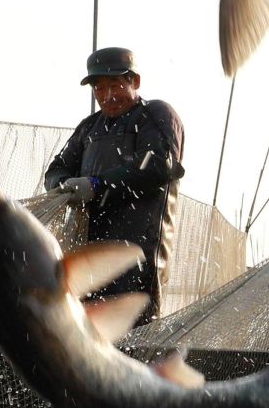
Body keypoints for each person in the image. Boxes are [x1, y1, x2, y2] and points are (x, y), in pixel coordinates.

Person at [43, 47, 187, 326]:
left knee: (133, 337)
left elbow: (159, 165)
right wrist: (64, 186)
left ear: (135, 82)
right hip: (90, 255)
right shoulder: (89, 127)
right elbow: (55, 170)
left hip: (139, 255)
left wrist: (98, 184)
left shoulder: (155, 115)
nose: (107, 96)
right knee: (86, 334)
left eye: (115, 85)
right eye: (99, 88)